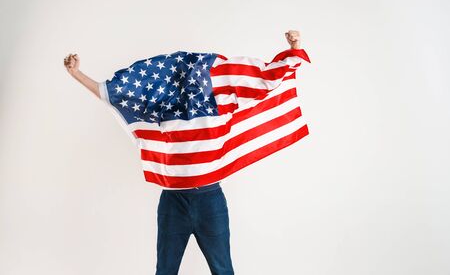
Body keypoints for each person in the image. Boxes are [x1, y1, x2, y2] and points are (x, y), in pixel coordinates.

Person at [63, 30, 301, 275]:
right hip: (173, 202)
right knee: (165, 271)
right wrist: (77, 74)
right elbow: (115, 96)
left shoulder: (220, 105)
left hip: (210, 200)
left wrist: (294, 49)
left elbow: (263, 81)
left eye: (196, 77)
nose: (191, 82)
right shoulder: (162, 108)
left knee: (223, 269)